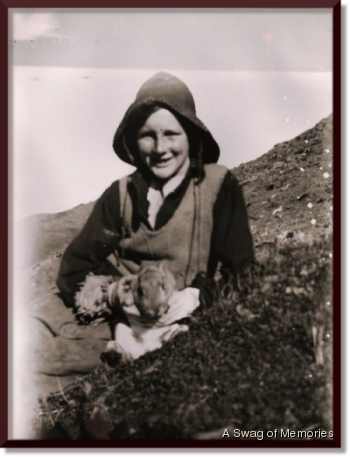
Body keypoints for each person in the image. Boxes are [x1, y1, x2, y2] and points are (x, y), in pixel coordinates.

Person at [57, 71, 254, 321]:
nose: (160, 148)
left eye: (171, 134)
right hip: (116, 319)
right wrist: (116, 293)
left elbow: (241, 274)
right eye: (147, 136)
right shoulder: (120, 195)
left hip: (178, 319)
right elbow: (73, 268)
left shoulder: (218, 186)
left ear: (191, 137)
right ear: (134, 141)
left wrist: (198, 298)